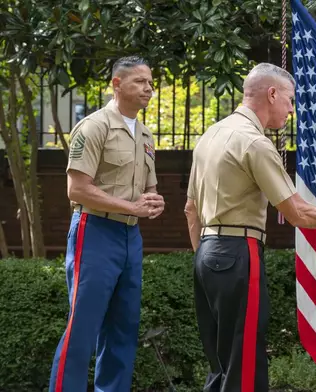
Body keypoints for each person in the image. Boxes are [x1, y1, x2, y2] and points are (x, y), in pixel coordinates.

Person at [184, 62, 316, 392]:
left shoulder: (209, 136)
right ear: (271, 94)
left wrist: (208, 257)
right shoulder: (254, 143)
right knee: (244, 359)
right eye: (290, 100)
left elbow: (190, 210)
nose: (291, 109)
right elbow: (296, 212)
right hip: (239, 251)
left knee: (220, 361)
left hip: (206, 254)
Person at [49, 56, 165, 392]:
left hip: (131, 236)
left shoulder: (145, 134)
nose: (149, 88)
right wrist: (132, 205)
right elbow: (78, 189)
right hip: (95, 232)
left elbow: (150, 188)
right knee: (83, 327)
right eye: (140, 81)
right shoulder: (93, 126)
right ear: (117, 84)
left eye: (151, 83)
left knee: (123, 328)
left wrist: (153, 201)